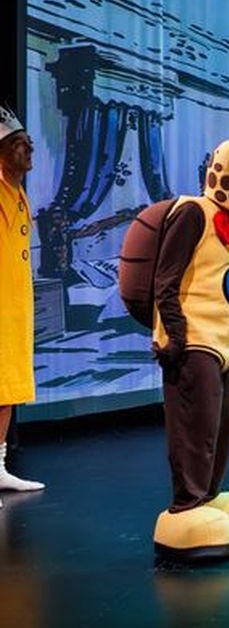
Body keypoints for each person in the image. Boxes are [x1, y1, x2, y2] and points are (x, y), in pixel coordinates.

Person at [141, 136, 229, 560]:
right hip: (192, 340)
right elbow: (165, 281)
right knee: (195, 425)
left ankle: (208, 496)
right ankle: (185, 505)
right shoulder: (193, 212)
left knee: (221, 426)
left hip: (222, 339)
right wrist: (175, 335)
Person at [0, 106, 45, 508]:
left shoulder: (19, 195)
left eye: (28, 141)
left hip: (14, 306)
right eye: (18, 143)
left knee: (8, 388)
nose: (29, 148)